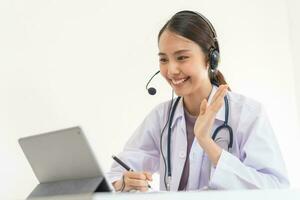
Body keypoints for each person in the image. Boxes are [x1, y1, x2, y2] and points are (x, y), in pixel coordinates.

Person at [106, 10, 289, 192]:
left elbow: (276, 189)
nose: (171, 70)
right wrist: (123, 183)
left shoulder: (247, 114)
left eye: (182, 57)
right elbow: (117, 172)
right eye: (163, 59)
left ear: (210, 59)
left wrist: (206, 142)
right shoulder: (161, 117)